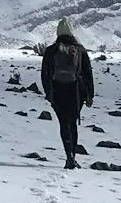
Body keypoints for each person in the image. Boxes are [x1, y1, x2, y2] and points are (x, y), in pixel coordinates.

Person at [39, 17, 95, 168]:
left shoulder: (51, 51)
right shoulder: (80, 50)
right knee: (72, 124)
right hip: (77, 92)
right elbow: (88, 74)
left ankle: (68, 155)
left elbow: (44, 74)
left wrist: (49, 94)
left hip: (57, 92)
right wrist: (90, 95)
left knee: (63, 124)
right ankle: (72, 157)